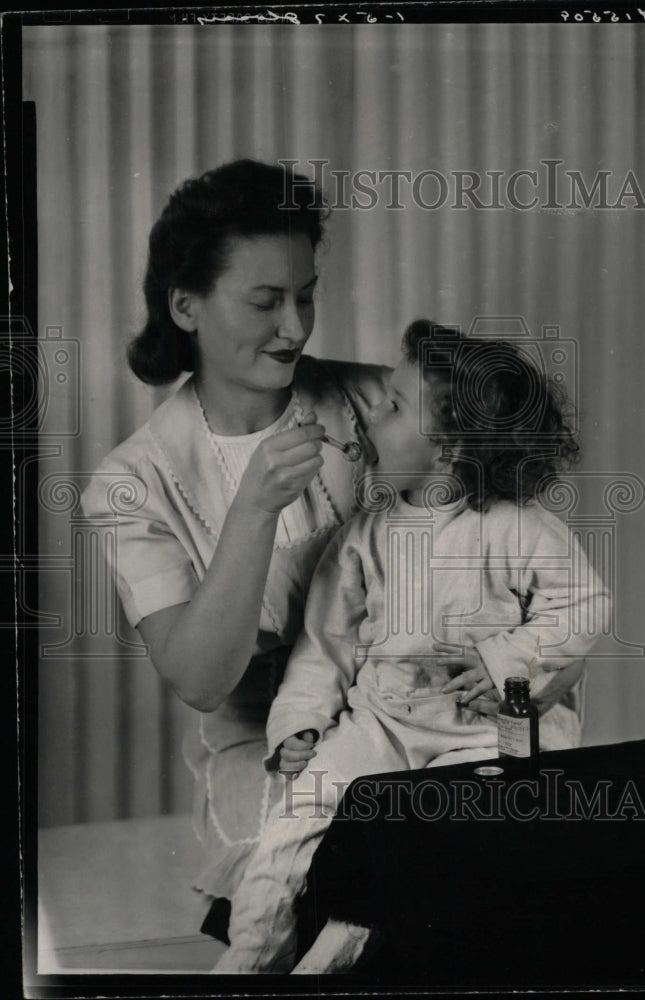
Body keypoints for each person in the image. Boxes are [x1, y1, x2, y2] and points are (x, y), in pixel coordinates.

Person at [214, 320, 612, 974]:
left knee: (422, 847)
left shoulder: (519, 528)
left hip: (483, 736)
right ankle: (252, 953)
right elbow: (323, 648)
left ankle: (341, 947)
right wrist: (301, 724)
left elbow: (586, 607)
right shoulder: (363, 537)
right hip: (384, 723)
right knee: (296, 820)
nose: (372, 411)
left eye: (394, 406)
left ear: (451, 448)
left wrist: (504, 659)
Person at [80, 159, 392, 927]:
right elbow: (200, 678)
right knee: (309, 895)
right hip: (266, 749)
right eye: (265, 302)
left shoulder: (381, 400)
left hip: (409, 714)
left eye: (307, 296)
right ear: (186, 306)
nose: (296, 327)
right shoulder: (132, 481)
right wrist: (253, 509)